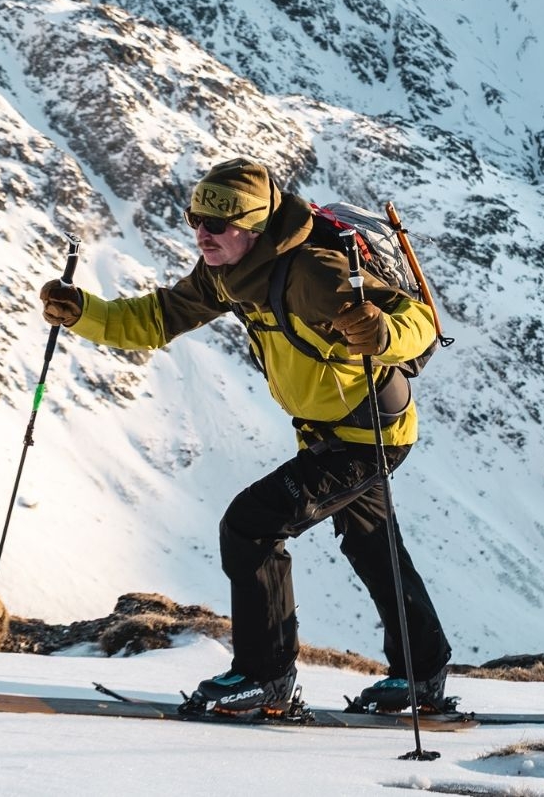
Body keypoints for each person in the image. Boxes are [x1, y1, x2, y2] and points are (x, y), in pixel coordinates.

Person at [37, 158, 454, 716]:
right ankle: (423, 673)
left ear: (255, 227)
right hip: (328, 430)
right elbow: (158, 318)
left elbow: (417, 322)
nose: (202, 234)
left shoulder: (313, 274)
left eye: (217, 224)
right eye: (195, 219)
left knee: (251, 526)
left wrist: (382, 332)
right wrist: (81, 312)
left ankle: (265, 677)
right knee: (372, 544)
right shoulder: (227, 272)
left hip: (369, 434)